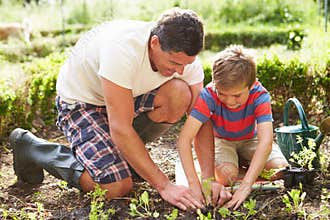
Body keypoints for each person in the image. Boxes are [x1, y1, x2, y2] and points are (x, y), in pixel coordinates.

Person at [9, 7, 232, 211]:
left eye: (186, 64)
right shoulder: (122, 50)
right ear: (154, 43)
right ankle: (32, 148)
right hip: (82, 102)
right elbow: (120, 128)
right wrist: (164, 186)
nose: (182, 71)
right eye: (174, 64)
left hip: (125, 97)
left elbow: (200, 121)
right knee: (116, 186)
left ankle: (123, 158)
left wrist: (208, 179)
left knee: (179, 94)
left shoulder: (184, 61)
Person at [177, 45, 288, 209]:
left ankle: (245, 167)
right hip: (222, 140)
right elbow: (184, 140)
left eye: (237, 95)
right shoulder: (209, 95)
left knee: (280, 170)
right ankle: (238, 166)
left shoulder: (260, 95)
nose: (229, 101)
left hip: (251, 139)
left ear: (251, 86)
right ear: (215, 84)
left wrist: (246, 185)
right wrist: (196, 184)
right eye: (222, 94)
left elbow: (265, 142)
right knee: (227, 177)